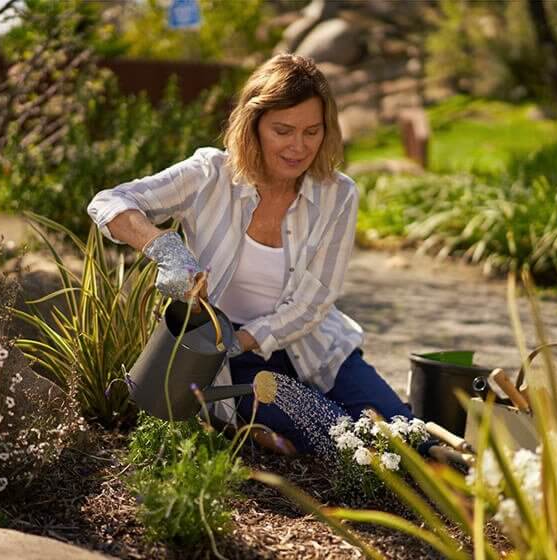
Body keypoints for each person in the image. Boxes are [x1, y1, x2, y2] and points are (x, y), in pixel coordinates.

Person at [87, 53, 413, 454]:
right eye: (283, 131)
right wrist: (164, 248)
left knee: (401, 428)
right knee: (341, 438)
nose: (298, 147)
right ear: (253, 124)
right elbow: (110, 202)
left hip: (312, 344)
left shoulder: (338, 194)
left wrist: (240, 339)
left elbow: (314, 303)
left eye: (312, 132)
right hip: (232, 365)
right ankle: (250, 424)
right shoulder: (209, 175)